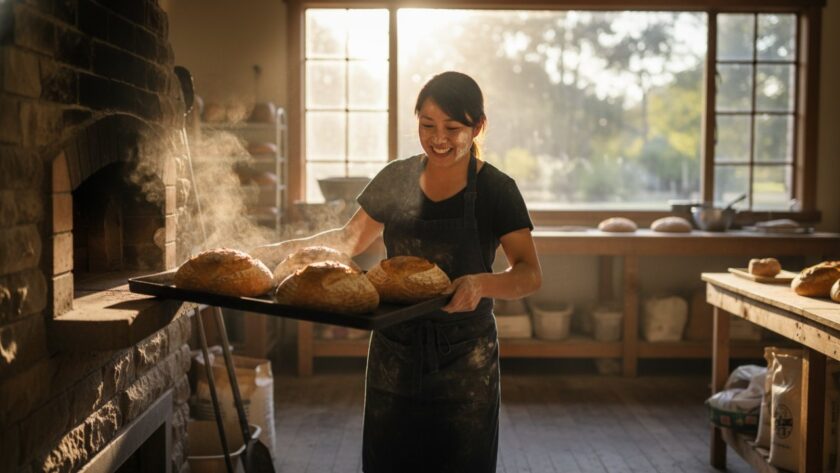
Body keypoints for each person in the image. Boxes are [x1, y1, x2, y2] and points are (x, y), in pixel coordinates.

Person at [252, 71, 542, 472]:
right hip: (395, 351)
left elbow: (529, 274)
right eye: (427, 125)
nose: (438, 139)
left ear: (478, 127)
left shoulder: (497, 189)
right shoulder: (396, 178)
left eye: (452, 128)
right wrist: (274, 253)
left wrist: (480, 284)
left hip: (466, 357)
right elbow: (348, 239)